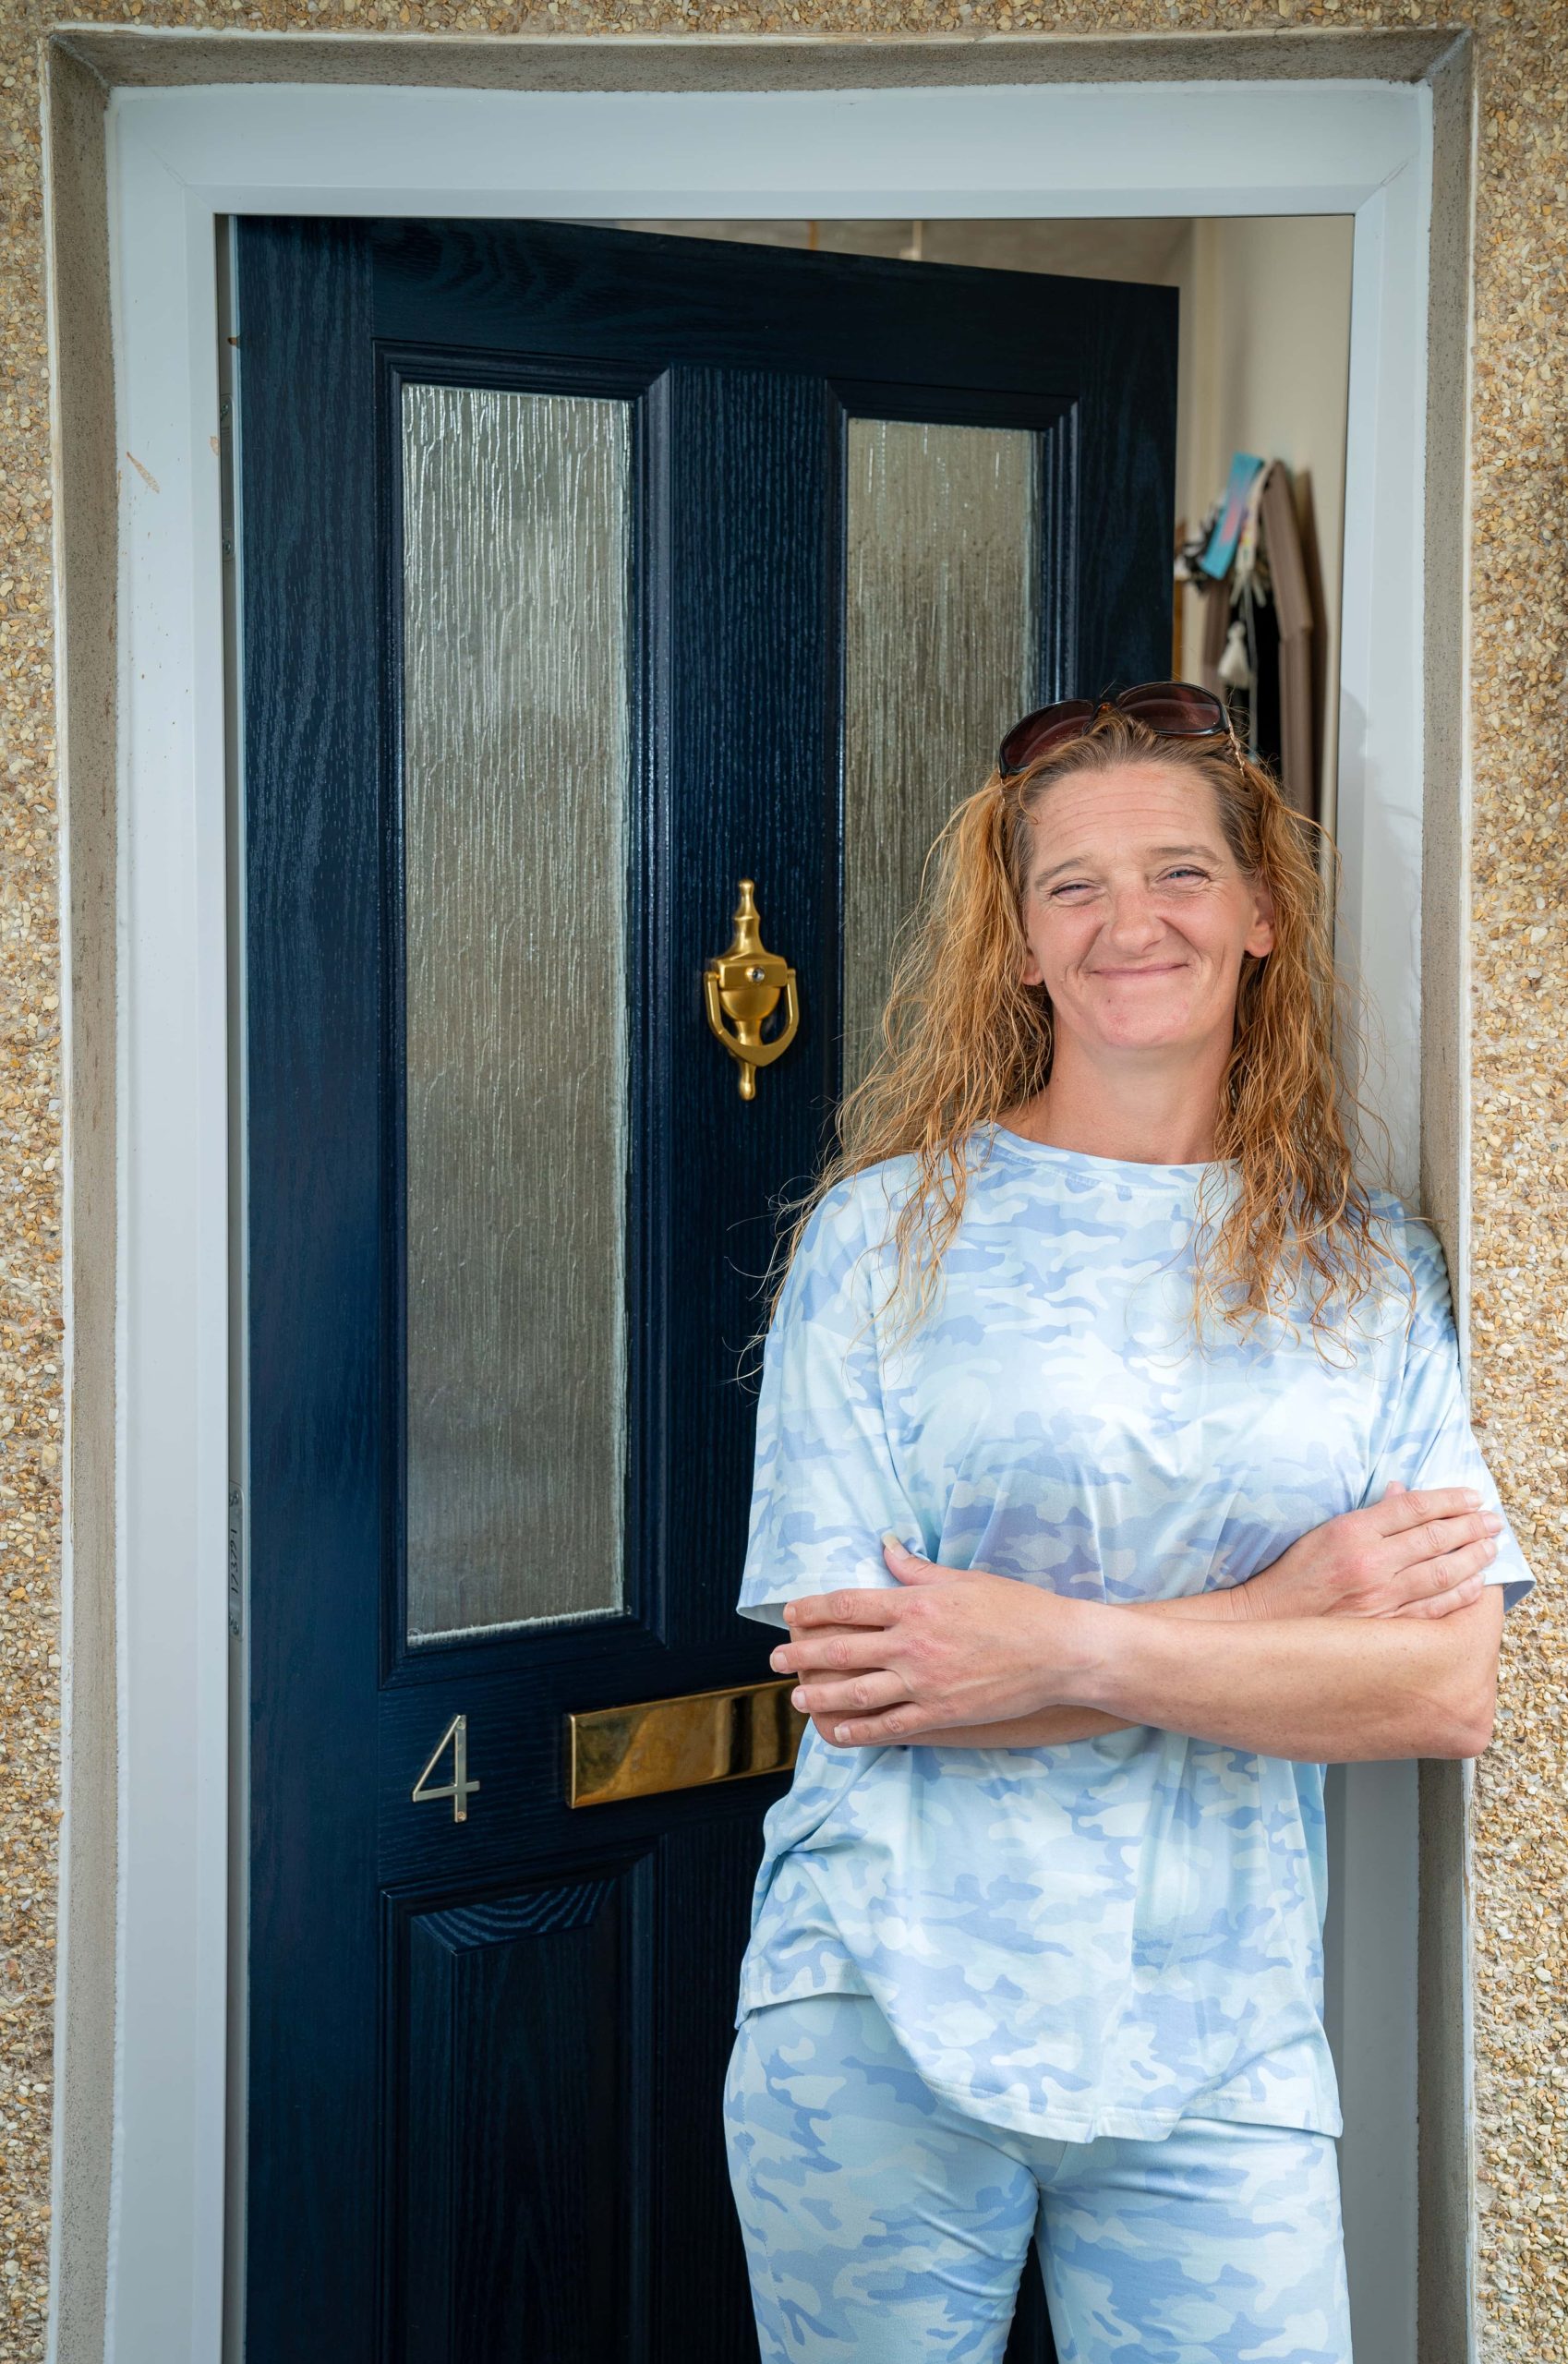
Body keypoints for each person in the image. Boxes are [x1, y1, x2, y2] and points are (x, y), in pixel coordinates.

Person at [719, 682, 1533, 2364]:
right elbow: (872, 1686)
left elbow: (1438, 1692)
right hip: (874, 2005)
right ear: (1016, 944)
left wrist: (1044, 1644)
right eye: (1070, 886)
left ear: (1254, 913)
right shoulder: (884, 1241)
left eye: (1175, 872)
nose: (1125, 921)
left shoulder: (1362, 1265)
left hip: (1218, 2040)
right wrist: (1291, 1604)